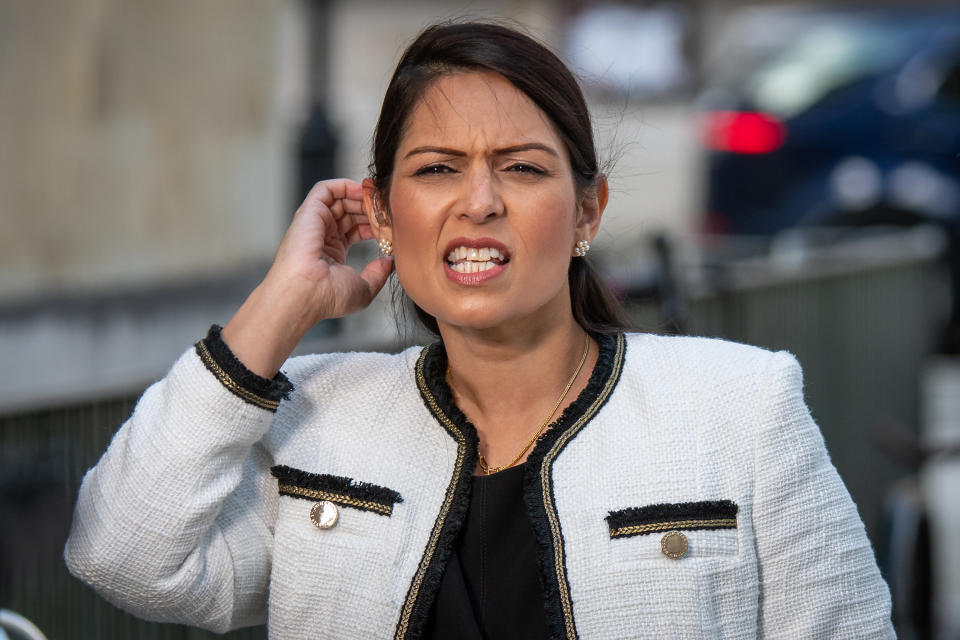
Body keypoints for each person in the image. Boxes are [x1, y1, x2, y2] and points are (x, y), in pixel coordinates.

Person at [64, 21, 895, 640]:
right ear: (384, 214)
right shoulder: (320, 420)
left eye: (523, 168)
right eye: (435, 170)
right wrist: (282, 304)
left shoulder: (738, 405)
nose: (480, 202)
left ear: (587, 211)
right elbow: (121, 554)